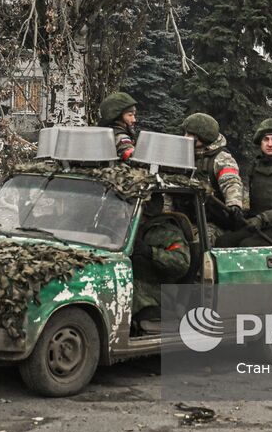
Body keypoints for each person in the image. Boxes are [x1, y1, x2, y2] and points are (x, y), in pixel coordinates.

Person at [218, 117, 272, 249]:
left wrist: (261, 219)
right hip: (261, 226)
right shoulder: (256, 167)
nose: (270, 144)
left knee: (246, 245)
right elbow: (257, 207)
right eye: (266, 139)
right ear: (260, 143)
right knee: (223, 242)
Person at [130, 194, 191, 333]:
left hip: (157, 291)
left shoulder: (168, 233)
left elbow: (181, 263)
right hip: (135, 282)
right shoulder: (123, 226)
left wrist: (151, 252)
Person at [180, 112, 247, 229]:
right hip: (184, 218)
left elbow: (231, 182)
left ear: (203, 136)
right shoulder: (184, 155)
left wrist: (234, 204)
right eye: (185, 133)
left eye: (190, 134)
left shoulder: (221, 158)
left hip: (212, 221)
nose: (185, 137)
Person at [99, 91, 139, 160]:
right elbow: (128, 152)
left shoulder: (106, 132)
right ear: (118, 117)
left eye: (134, 115)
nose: (134, 120)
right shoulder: (120, 136)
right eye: (130, 115)